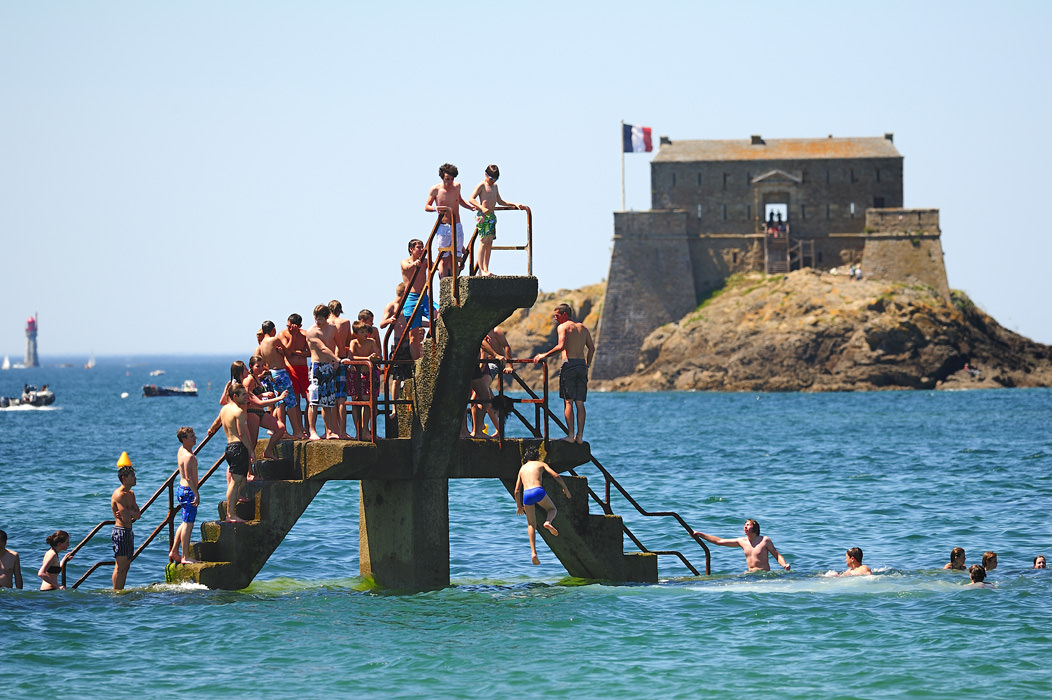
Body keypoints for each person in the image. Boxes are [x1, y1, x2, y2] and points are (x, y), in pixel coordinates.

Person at [533, 303, 596, 443]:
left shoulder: (563, 327)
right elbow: (592, 349)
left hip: (569, 365)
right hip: (581, 366)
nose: (555, 318)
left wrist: (544, 355)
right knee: (580, 403)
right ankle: (579, 437)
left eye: (557, 315)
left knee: (568, 402)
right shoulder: (583, 328)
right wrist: (587, 364)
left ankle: (570, 435)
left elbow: (561, 346)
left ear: (564, 315)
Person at [514, 445, 571, 565]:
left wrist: (519, 506)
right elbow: (556, 475)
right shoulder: (541, 464)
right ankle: (548, 522)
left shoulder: (522, 469)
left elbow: (517, 491)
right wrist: (565, 488)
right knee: (552, 509)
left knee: (531, 524)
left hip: (526, 494)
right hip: (538, 491)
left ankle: (533, 552)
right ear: (537, 457)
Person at [304, 304, 351, 440]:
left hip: (330, 366)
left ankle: (329, 431)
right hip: (317, 366)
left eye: (320, 319)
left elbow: (339, 345)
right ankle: (312, 431)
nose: (317, 322)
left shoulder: (332, 328)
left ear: (326, 318)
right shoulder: (312, 332)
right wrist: (337, 359)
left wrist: (337, 361)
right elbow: (323, 348)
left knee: (328, 401)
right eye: (316, 318)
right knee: (314, 400)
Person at [468, 164, 524, 276]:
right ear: (486, 175)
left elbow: (500, 201)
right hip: (483, 216)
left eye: (496, 179)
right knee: (483, 242)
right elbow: (471, 199)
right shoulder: (482, 185)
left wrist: (514, 204)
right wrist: (481, 207)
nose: (493, 181)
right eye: (492, 178)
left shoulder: (495, 186)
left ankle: (486, 268)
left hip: (492, 217)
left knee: (489, 242)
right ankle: (481, 269)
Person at [208, 382, 252, 523]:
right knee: (235, 481)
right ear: (235, 396)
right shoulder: (238, 412)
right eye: (243, 394)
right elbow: (242, 434)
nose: (246, 396)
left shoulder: (225, 409)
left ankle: (233, 502)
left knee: (242, 480)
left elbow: (216, 423)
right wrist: (251, 451)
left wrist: (211, 430)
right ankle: (230, 514)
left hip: (230, 447)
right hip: (238, 447)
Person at [425, 163, 476, 278]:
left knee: (456, 258)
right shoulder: (435, 189)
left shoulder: (457, 186)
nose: (449, 182)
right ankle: (444, 285)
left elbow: (460, 200)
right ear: (442, 177)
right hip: (443, 226)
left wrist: (470, 207)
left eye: (452, 179)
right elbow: (427, 206)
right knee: (443, 257)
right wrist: (435, 208)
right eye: (447, 179)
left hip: (456, 225)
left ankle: (455, 284)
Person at [259, 320, 305, 439]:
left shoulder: (262, 343)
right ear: (273, 329)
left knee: (280, 402)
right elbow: (289, 352)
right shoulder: (274, 340)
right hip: (281, 373)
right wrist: (293, 336)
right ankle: (297, 431)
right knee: (291, 402)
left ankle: (282, 430)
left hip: (272, 374)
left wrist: (279, 352)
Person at [691, 519, 791, 572]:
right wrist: (700, 535)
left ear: (755, 528)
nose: (745, 527)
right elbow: (719, 541)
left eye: (748, 525)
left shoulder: (765, 540)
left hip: (764, 575)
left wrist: (784, 565)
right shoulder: (742, 541)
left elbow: (776, 555)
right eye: (744, 525)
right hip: (751, 575)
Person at [168, 427, 200, 565]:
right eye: (191, 436)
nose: (195, 438)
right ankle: (185, 556)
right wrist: (196, 494)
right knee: (188, 524)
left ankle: (174, 551)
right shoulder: (188, 456)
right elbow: (188, 477)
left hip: (182, 490)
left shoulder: (182, 450)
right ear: (184, 440)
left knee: (185, 521)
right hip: (188, 491)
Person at [380, 282, 413, 415]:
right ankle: (394, 408)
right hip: (397, 344)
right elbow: (382, 324)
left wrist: (430, 324)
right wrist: (389, 321)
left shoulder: (408, 307)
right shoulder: (392, 306)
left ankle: (409, 406)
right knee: (397, 377)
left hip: (409, 344)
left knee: (410, 377)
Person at [111, 453, 141, 590]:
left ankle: (121, 590)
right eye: (132, 477)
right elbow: (126, 518)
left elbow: (138, 515)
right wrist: (130, 513)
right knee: (120, 566)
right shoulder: (119, 495)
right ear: (124, 478)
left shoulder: (131, 494)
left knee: (127, 566)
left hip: (129, 531)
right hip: (121, 531)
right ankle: (116, 591)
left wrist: (130, 513)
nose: (135, 479)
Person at [348, 319, 382, 441]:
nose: (364, 334)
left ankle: (365, 429)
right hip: (355, 374)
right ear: (355, 333)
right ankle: (358, 431)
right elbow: (351, 357)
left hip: (367, 374)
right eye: (361, 332)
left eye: (365, 331)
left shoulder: (371, 342)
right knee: (356, 402)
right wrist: (366, 358)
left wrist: (373, 357)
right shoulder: (353, 343)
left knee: (368, 402)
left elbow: (378, 355)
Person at [278, 313, 311, 437]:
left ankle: (308, 428)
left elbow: (310, 352)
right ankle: (299, 429)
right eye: (288, 326)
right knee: (295, 400)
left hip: (303, 369)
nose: (289, 329)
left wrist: (300, 354)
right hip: (291, 370)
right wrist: (293, 335)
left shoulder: (305, 334)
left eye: (292, 327)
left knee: (310, 400)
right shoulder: (283, 334)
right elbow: (288, 352)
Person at [400, 239, 430, 360]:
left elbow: (437, 266)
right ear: (411, 249)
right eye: (418, 247)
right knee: (414, 335)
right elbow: (407, 267)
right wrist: (414, 264)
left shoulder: (425, 261)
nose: (421, 249)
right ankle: (417, 363)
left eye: (422, 247)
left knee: (439, 316)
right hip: (411, 298)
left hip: (424, 297)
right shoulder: (404, 262)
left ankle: (430, 342)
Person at [328, 300, 353, 439]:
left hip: (327, 362)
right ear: (339, 310)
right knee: (341, 399)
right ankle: (343, 432)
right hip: (341, 361)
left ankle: (333, 430)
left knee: (331, 399)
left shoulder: (325, 324)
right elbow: (348, 342)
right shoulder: (345, 322)